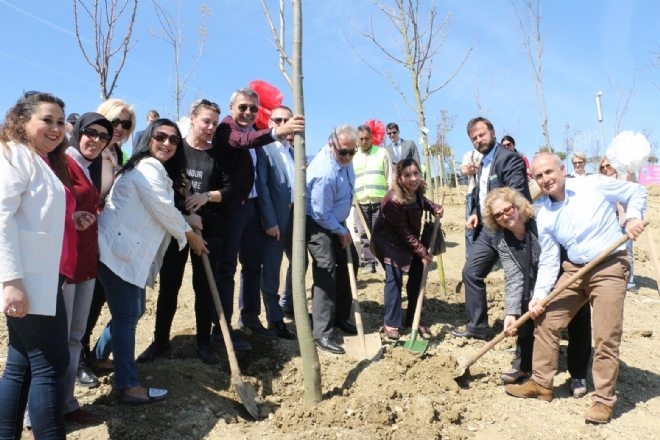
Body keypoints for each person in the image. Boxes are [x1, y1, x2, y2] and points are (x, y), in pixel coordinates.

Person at [505, 152, 647, 425]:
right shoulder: (545, 213)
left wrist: (631, 218)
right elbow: (548, 259)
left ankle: (604, 400)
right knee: (545, 319)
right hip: (574, 270)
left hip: (609, 265)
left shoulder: (592, 184)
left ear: (562, 170)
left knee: (606, 335)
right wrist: (539, 297)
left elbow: (636, 191)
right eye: (539, 176)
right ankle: (541, 383)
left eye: (549, 172)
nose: (546, 179)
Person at [94, 119, 208, 404]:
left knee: (133, 311)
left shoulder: (152, 169)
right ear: (149, 138)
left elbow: (162, 206)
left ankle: (97, 358)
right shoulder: (148, 167)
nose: (167, 143)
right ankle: (128, 385)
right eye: (160, 136)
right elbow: (162, 208)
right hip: (118, 252)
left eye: (173, 140)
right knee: (128, 318)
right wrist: (190, 236)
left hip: (121, 251)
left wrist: (184, 214)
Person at [0, 91, 70, 438]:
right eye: (47, 119)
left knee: (22, 364)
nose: (56, 128)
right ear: (22, 121)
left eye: (60, 121)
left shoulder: (35, 160)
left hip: (40, 278)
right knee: (51, 366)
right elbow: (1, 216)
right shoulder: (13, 154)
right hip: (26, 280)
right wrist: (11, 280)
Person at [211, 88, 304, 346]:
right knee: (227, 269)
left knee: (253, 267)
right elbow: (242, 142)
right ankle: (222, 329)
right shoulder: (227, 129)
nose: (248, 112)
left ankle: (250, 319)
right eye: (243, 107)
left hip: (251, 209)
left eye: (253, 108)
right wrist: (276, 133)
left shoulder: (254, 133)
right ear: (232, 108)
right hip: (231, 209)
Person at [137, 99, 226, 364]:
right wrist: (187, 215)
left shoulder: (217, 155)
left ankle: (204, 343)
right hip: (177, 229)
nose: (210, 127)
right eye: (206, 121)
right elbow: (161, 191)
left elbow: (229, 190)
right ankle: (161, 341)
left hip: (208, 230)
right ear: (193, 118)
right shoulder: (176, 148)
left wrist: (206, 199)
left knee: (205, 287)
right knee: (170, 286)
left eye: (214, 123)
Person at [482, 187, 591, 394]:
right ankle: (525, 366)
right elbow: (514, 276)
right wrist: (510, 313)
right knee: (525, 308)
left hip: (566, 272)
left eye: (508, 209)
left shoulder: (541, 218)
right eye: (498, 215)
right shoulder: (502, 239)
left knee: (579, 319)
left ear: (517, 206)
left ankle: (578, 374)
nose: (505, 216)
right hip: (534, 279)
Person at [451, 117, 531, 340]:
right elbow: (482, 192)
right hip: (488, 230)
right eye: (474, 138)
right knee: (471, 272)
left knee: (520, 279)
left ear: (493, 133)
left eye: (482, 134)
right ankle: (477, 328)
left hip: (508, 228)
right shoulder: (484, 163)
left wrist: (502, 216)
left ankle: (526, 329)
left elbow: (516, 193)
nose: (478, 140)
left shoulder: (510, 159)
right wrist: (477, 212)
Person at [60, 112, 114, 424]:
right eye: (90, 133)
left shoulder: (86, 166)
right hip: (65, 265)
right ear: (78, 131)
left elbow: (95, 199)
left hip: (87, 262)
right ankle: (36, 413)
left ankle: (67, 403)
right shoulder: (62, 163)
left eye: (102, 137)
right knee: (56, 341)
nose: (95, 140)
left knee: (75, 337)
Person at [80, 98, 136, 384]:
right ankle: (78, 360)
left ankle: (90, 356)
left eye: (125, 124)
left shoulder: (117, 153)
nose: (119, 128)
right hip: (84, 232)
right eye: (114, 122)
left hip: (105, 234)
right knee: (85, 301)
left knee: (98, 297)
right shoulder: (90, 153)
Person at [371, 158, 443, 340]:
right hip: (390, 242)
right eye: (408, 175)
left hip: (410, 241)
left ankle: (414, 319)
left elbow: (422, 201)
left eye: (416, 174)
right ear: (399, 177)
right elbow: (403, 231)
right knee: (394, 279)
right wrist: (423, 251)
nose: (413, 179)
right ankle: (391, 323)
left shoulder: (415, 190)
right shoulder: (394, 199)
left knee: (418, 277)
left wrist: (434, 207)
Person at [306, 125, 360, 354]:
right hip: (317, 223)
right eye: (343, 152)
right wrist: (340, 230)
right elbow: (319, 213)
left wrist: (342, 227)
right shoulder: (323, 172)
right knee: (327, 268)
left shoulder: (345, 162)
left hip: (337, 222)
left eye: (352, 152)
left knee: (352, 262)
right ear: (331, 145)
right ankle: (322, 333)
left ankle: (340, 316)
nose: (347, 157)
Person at [254, 105, 298, 339]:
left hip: (294, 218)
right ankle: (274, 318)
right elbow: (262, 187)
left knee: (299, 263)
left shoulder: (293, 150)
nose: (283, 124)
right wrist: (269, 221)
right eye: (278, 120)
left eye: (287, 120)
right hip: (275, 221)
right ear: (270, 123)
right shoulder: (265, 149)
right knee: (271, 269)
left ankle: (289, 303)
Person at [353, 124, 391, 274]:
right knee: (363, 234)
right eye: (361, 139)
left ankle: (382, 262)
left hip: (379, 200)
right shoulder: (353, 156)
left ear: (372, 138)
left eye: (366, 138)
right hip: (360, 201)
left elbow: (389, 176)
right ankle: (369, 262)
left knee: (380, 233)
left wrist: (389, 198)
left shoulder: (381, 153)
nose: (364, 141)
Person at [599, 156, 638, 293]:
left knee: (627, 251)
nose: (605, 169)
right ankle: (612, 279)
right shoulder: (601, 182)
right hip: (607, 222)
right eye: (602, 167)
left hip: (623, 220)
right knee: (609, 252)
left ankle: (630, 282)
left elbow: (634, 188)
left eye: (607, 166)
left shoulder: (623, 178)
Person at [460, 149, 483, 258]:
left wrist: (474, 166)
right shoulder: (468, 154)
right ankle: (470, 255)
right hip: (471, 193)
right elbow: (464, 170)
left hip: (486, 193)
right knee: (469, 225)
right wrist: (479, 166)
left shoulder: (489, 155)